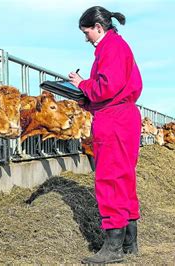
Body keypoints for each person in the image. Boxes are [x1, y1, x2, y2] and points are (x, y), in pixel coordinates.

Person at [68, 6, 142, 264]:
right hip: (125, 116)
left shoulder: (110, 48)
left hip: (113, 121)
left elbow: (105, 87)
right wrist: (87, 103)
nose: (86, 37)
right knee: (124, 177)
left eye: (86, 32)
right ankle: (130, 243)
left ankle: (112, 248)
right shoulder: (119, 46)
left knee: (109, 178)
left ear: (98, 28)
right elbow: (114, 89)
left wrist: (81, 84)